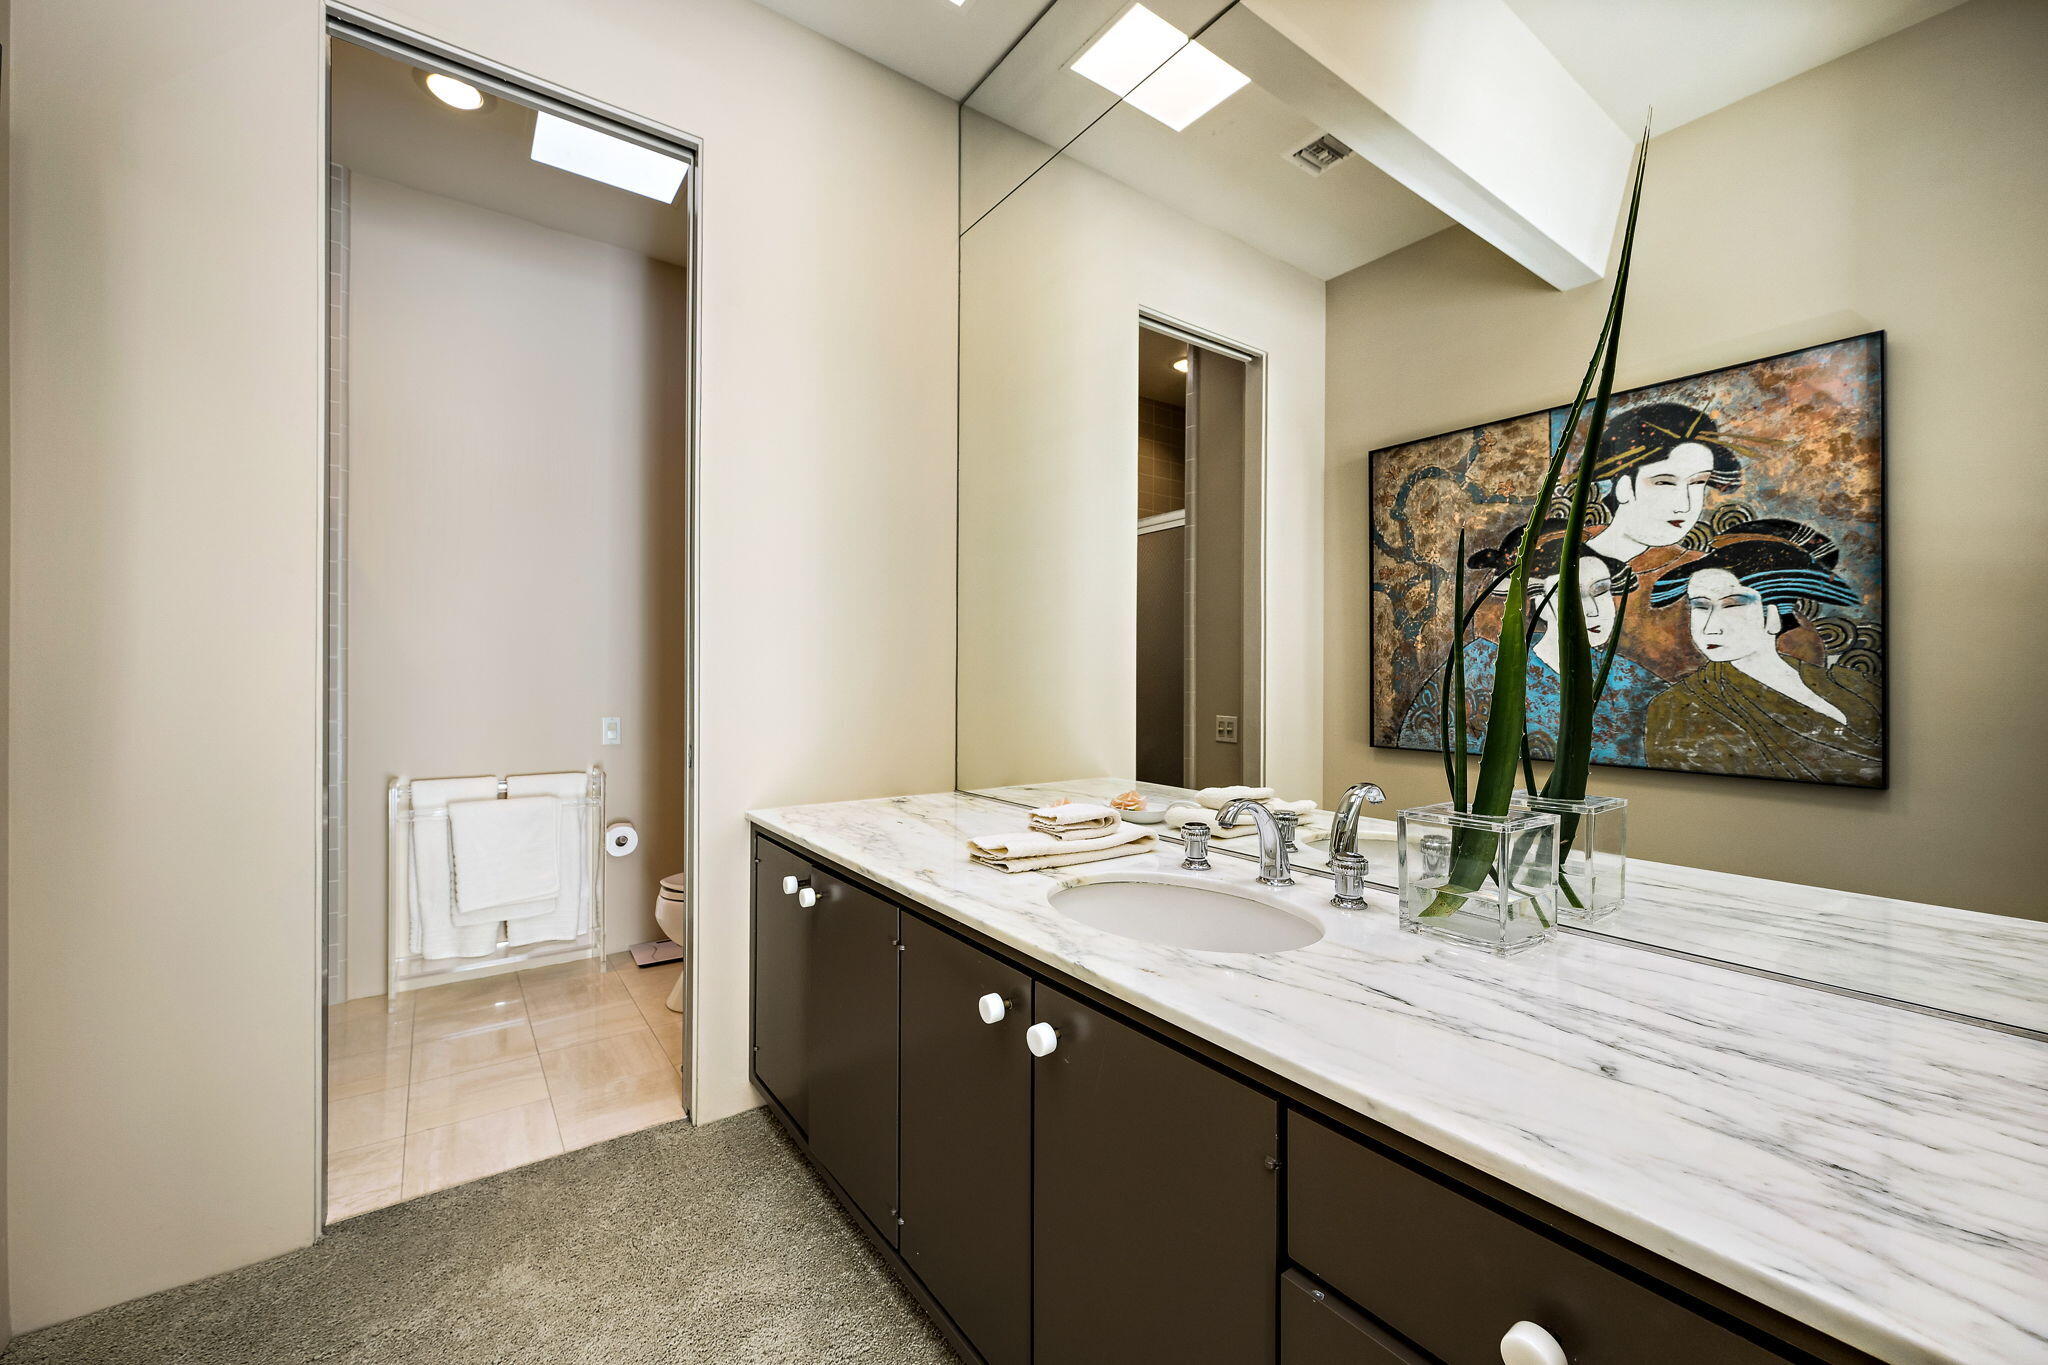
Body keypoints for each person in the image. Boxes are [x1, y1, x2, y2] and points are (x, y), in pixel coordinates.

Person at [1398, 524, 1663, 767]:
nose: (1593, 611)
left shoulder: (1638, 684)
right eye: (1569, 594)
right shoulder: (1479, 666)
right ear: (1537, 603)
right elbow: (1422, 736)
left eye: (1601, 590)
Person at [1643, 520, 1882, 786]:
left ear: (1774, 616)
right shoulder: (1678, 708)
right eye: (1700, 606)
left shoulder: (1850, 684)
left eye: (1732, 605)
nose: (1711, 628)